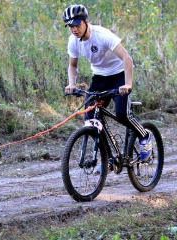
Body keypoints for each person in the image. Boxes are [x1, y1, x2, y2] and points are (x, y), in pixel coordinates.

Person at [63, 4, 152, 162]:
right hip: (99, 78)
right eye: (70, 26)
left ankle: (144, 135)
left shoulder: (102, 35)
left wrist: (128, 84)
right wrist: (72, 84)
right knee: (90, 118)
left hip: (119, 75)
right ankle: (107, 158)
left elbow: (127, 59)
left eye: (77, 24)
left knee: (122, 114)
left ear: (86, 21)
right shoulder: (73, 41)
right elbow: (73, 65)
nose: (74, 29)